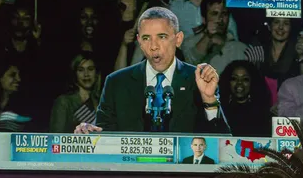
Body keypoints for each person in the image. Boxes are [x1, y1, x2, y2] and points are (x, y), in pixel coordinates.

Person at [74, 7, 231, 134]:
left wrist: (209, 101)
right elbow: (103, 134)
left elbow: (222, 143)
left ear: (178, 39)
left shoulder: (199, 80)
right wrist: (89, 133)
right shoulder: (117, 82)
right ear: (139, 42)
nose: (153, 46)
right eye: (146, 38)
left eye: (162, 37)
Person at [181, 0, 247, 75]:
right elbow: (191, 63)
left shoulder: (241, 49)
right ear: (204, 19)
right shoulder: (189, 43)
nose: (220, 19)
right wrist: (208, 36)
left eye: (224, 14)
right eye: (214, 13)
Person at [218, 60, 272, 137]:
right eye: (234, 78)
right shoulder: (220, 111)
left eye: (245, 79)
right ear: (227, 82)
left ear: (253, 83)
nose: (239, 82)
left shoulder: (262, 113)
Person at [49, 53, 101, 133]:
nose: (86, 74)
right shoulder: (64, 102)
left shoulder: (100, 100)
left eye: (90, 69)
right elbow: (55, 136)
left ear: (96, 73)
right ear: (74, 73)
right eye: (81, 70)